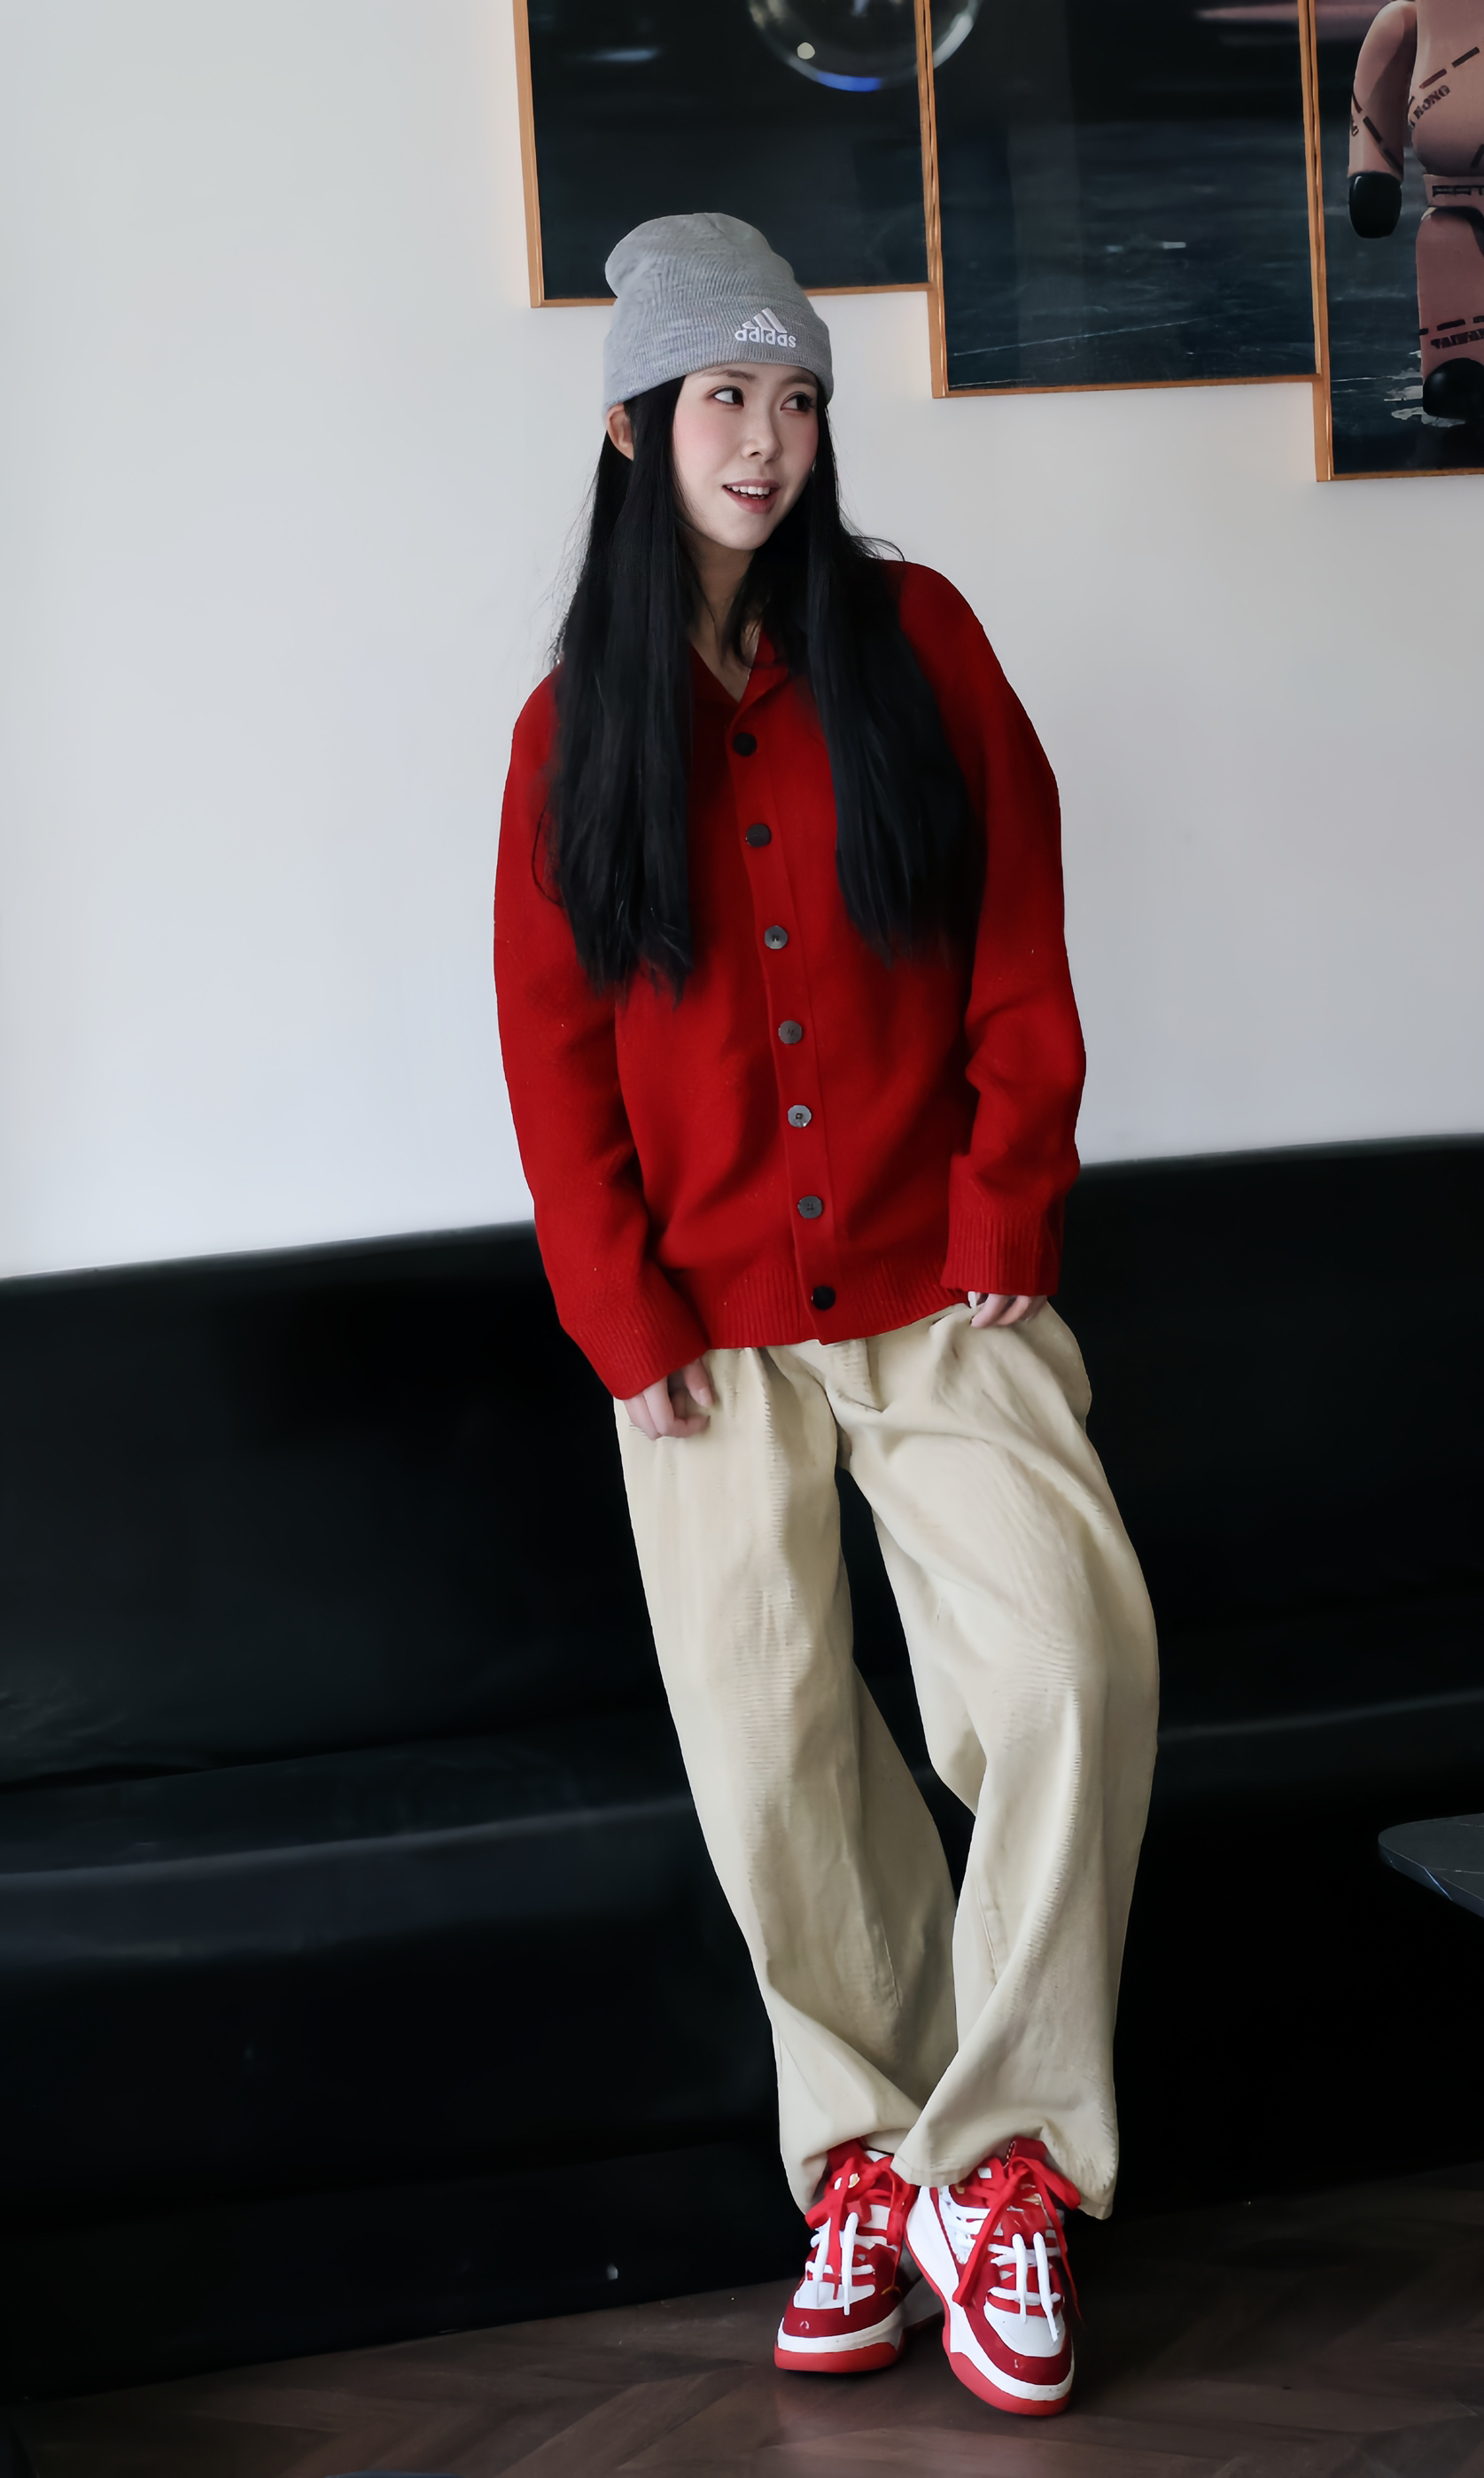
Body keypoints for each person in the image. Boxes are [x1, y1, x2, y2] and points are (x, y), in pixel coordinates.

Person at [493, 211, 1158, 2420]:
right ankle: (867, 2159)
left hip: (943, 1291)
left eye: (793, 400)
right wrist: (624, 1324)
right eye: (722, 399)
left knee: (1065, 1671)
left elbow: (1019, 936)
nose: (764, 441)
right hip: (697, 1343)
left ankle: (1008, 2168)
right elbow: (553, 1055)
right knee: (768, 1756)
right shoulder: (566, 734)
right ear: (634, 428)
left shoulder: (921, 641)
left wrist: (1008, 1200)